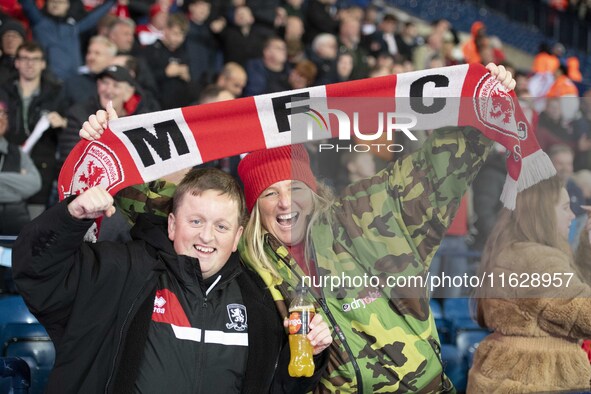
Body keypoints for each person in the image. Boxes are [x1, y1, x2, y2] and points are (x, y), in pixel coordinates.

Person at [79, 63, 517, 392]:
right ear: (254, 210)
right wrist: (111, 147)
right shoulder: (245, 260)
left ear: (315, 189)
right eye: (270, 194)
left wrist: (482, 94)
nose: (286, 203)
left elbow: (439, 162)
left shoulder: (371, 218)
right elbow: (172, 210)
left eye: (295, 188)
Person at [12, 166, 331, 393]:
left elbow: (277, 387)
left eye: (221, 227)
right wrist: (71, 217)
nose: (207, 236)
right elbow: (37, 272)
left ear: (236, 238)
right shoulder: (124, 271)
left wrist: (310, 355)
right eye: (196, 221)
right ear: (171, 225)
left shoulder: (257, 301)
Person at [467, 176, 591, 392]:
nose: (572, 215)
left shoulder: (517, 250)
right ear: (542, 214)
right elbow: (584, 317)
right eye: (564, 208)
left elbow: (575, 288)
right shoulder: (539, 260)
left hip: (513, 375)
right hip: (537, 380)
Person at [0, 99, 41, 235]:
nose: (1, 119)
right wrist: (16, 185)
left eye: (3, 114)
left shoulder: (17, 152)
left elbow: (34, 183)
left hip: (14, 229)